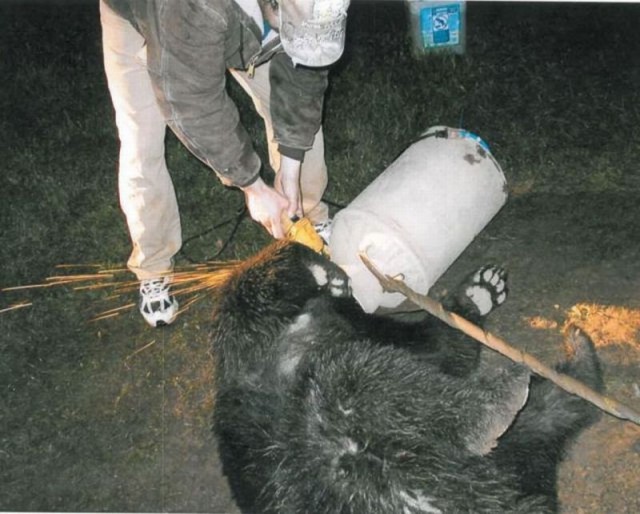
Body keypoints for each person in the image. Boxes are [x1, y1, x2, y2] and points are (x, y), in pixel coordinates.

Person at [99, 0, 350, 327]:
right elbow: (193, 106)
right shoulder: (192, 9)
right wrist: (252, 185)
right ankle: (153, 266)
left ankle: (309, 218)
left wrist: (291, 166)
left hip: (242, 19)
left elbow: (303, 74)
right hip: (146, 17)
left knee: (302, 133)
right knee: (141, 141)